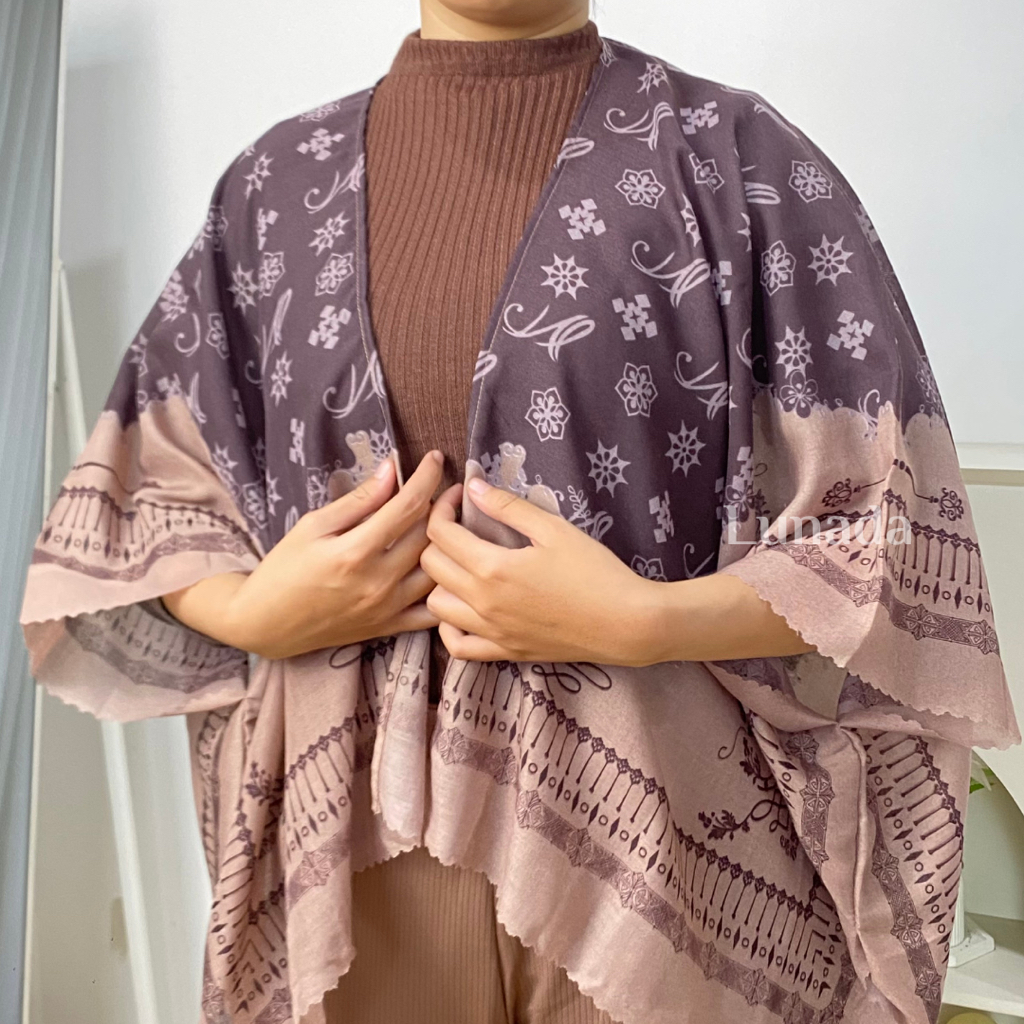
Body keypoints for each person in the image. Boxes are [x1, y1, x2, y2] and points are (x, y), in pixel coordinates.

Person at [20, 1, 1019, 1022]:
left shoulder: (738, 161)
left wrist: (646, 621)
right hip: (351, 872)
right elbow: (146, 492)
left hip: (668, 882)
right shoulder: (274, 191)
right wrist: (252, 612)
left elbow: (890, 533)